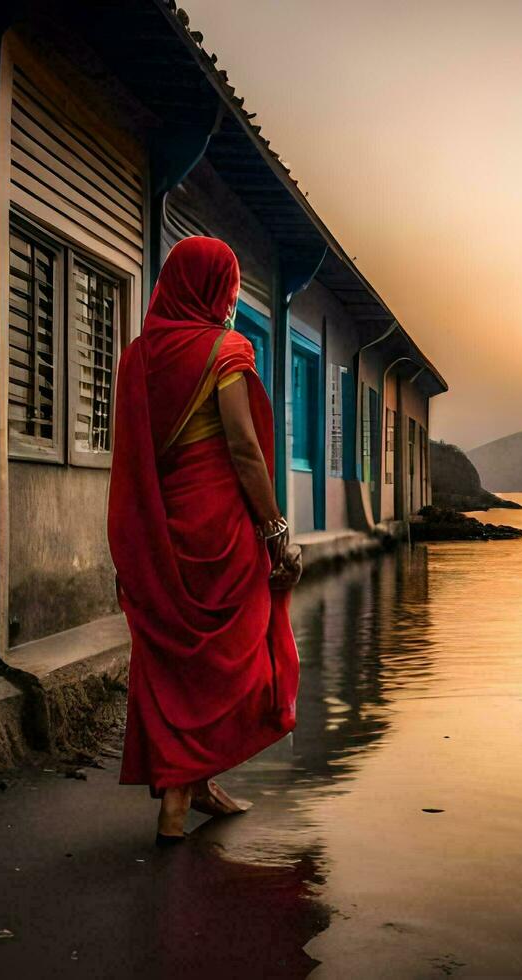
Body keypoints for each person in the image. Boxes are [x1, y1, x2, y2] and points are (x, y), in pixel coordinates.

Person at [108, 236, 301, 844]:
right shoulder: (227, 349)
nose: (235, 298)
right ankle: (180, 797)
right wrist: (276, 533)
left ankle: (189, 787)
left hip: (161, 535)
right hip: (220, 533)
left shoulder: (137, 357)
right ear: (214, 289)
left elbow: (133, 457)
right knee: (234, 658)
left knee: (172, 661)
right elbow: (243, 448)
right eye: (233, 286)